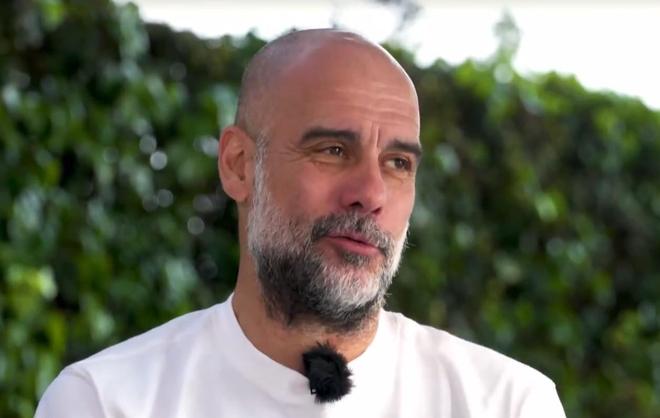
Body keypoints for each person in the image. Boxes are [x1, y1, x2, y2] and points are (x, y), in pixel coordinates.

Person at [36, 29, 566, 417]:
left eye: (398, 163)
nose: (371, 194)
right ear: (239, 165)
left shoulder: (506, 404)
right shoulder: (105, 402)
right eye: (333, 150)